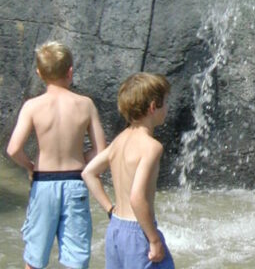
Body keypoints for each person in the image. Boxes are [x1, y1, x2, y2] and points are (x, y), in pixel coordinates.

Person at [6, 40, 107, 269]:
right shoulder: (85, 104)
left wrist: (30, 166)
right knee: (76, 260)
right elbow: (101, 150)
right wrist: (81, 159)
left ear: (39, 73)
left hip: (43, 184)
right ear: (70, 71)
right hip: (75, 183)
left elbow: (13, 149)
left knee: (34, 258)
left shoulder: (33, 106)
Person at [82, 72, 175, 269]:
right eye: (166, 102)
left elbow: (88, 173)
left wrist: (110, 208)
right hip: (138, 233)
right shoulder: (152, 147)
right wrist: (154, 239)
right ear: (152, 107)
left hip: (115, 229)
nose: (167, 108)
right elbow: (137, 197)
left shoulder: (119, 140)